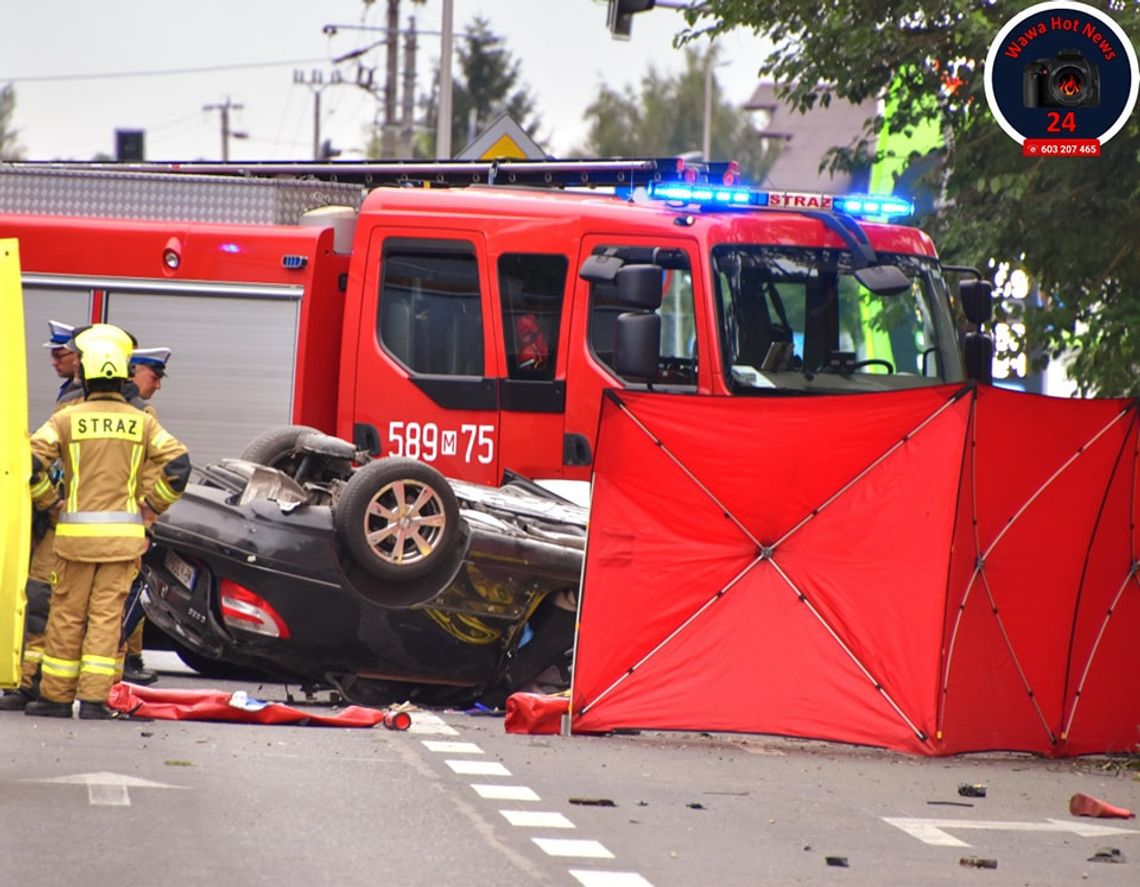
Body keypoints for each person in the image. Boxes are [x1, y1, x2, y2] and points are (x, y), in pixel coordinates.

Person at [23, 323, 190, 720]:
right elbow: (178, 466)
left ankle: (57, 699)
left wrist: (51, 502)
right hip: (122, 542)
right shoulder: (141, 422)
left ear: (87, 373)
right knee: (105, 618)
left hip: (74, 540)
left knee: (65, 615)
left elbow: (28, 462)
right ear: (121, 374)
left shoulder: (68, 418)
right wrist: (151, 508)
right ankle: (96, 701)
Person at [0, 320, 85, 711]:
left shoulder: (78, 402)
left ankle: (38, 686)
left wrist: (49, 503)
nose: (53, 361)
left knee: (45, 599)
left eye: (60, 354)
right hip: (60, 519)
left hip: (64, 523)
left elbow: (43, 462)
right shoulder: (72, 394)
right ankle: (35, 683)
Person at [119, 346, 173, 685]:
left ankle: (129, 657)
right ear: (132, 371)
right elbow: (168, 468)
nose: (157, 385)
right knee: (126, 591)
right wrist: (150, 514)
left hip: (95, 525)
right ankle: (122, 659)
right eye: (153, 377)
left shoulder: (82, 407)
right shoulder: (140, 417)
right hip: (125, 524)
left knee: (128, 589)